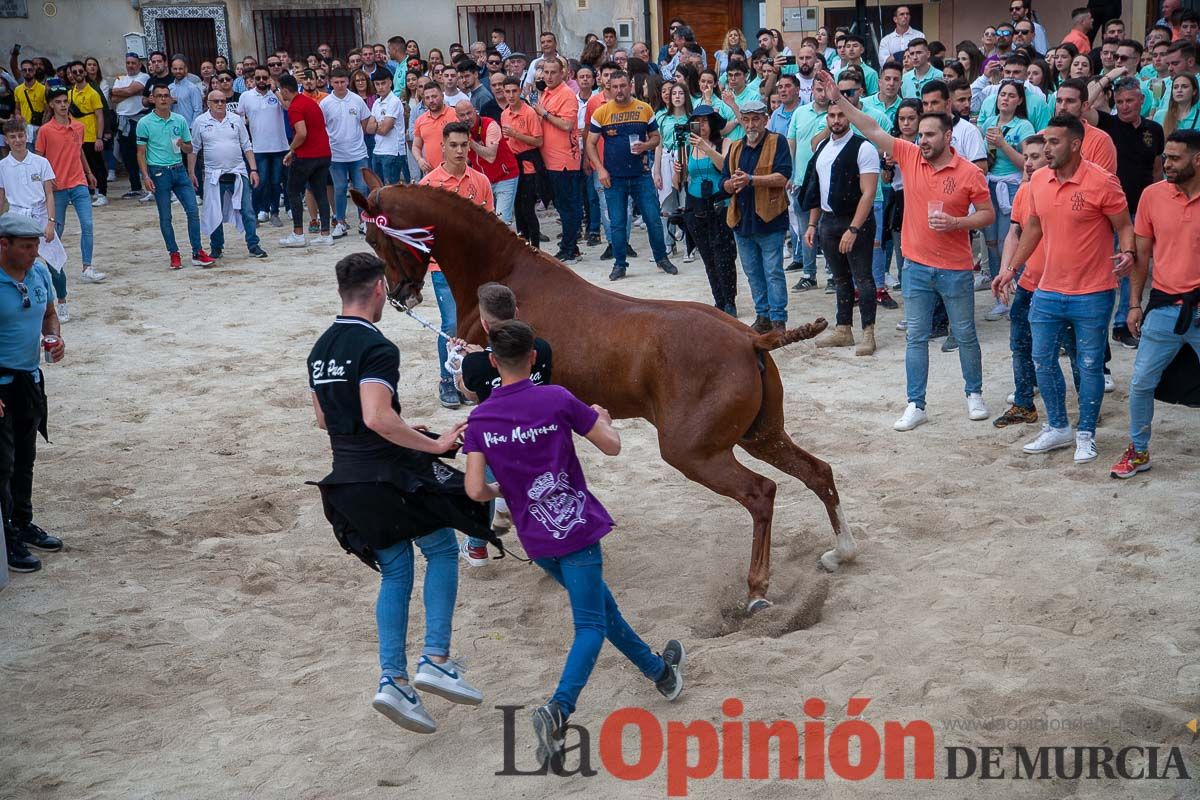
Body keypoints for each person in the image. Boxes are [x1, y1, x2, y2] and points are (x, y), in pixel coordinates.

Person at [462, 318, 685, 768]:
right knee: (591, 626)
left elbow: (474, 491)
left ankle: (661, 673)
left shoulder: (480, 418)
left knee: (602, 610)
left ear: (491, 361)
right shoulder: (556, 398)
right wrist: (603, 418)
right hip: (576, 530)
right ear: (532, 357)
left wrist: (502, 491)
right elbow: (613, 447)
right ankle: (559, 708)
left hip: (535, 535)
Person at [307, 252, 492, 733]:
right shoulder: (378, 347)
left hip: (345, 478)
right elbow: (375, 416)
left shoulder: (320, 349)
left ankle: (393, 679)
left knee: (395, 572)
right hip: (387, 477)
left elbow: (327, 419)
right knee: (443, 550)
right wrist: (430, 442)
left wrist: (402, 428)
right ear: (378, 290)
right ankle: (435, 658)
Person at [820, 70, 994, 430]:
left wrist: (958, 224)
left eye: (930, 135)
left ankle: (973, 393)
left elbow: (987, 214)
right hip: (915, 266)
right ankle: (916, 403)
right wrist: (839, 100)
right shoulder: (910, 155)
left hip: (956, 267)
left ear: (948, 136)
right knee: (915, 337)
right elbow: (871, 128)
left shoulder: (968, 172)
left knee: (964, 333)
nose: (922, 140)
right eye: (920, 134)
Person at [994, 114, 1133, 464]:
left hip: (1093, 291)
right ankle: (1058, 427)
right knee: (1041, 360)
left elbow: (1124, 225)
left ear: (1075, 144)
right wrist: (1011, 269)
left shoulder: (1103, 181)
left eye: (1055, 142)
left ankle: (1086, 433)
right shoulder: (1039, 180)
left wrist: (1128, 252)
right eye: (1045, 142)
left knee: (1088, 364)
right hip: (1047, 289)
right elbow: (1034, 229)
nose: (1046, 148)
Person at [1111, 129, 1200, 477]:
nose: (1167, 164)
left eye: (1175, 158)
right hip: (1164, 307)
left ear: (1197, 159)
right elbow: (1141, 256)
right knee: (1140, 382)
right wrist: (1134, 304)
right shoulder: (1152, 196)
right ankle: (1139, 451)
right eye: (1165, 157)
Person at [0, 213, 65, 573]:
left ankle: (22, 523)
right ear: (3, 244)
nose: (34, 253)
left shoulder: (39, 272)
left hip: (29, 380)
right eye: (26, 246)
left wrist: (53, 337)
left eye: (36, 245)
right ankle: (6, 538)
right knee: (2, 465)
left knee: (25, 458)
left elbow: (49, 313)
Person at [420, 122, 495, 409]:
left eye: (464, 145)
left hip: (476, 268)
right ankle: (447, 380)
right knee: (452, 324)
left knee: (476, 326)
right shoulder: (428, 186)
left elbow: (490, 226)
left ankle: (471, 382)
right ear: (443, 147)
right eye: (454, 145)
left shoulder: (481, 181)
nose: (460, 150)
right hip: (444, 268)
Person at [800, 101, 881, 355]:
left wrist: (854, 229)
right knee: (840, 278)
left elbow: (868, 193)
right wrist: (813, 223)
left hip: (856, 219)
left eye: (841, 116)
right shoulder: (823, 147)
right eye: (832, 116)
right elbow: (816, 188)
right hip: (828, 219)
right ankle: (843, 328)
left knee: (863, 277)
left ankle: (868, 332)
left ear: (851, 118)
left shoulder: (863, 147)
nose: (836, 120)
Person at [1093, 76, 1165, 349]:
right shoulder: (1108, 125)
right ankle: (1095, 323)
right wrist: (1109, 76)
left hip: (1140, 210)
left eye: (1129, 100)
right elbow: (1085, 102)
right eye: (1120, 101)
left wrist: (1158, 204)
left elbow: (1157, 169)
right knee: (1103, 267)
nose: (1124, 106)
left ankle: (1123, 324)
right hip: (1108, 211)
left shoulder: (1154, 130)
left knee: (1132, 266)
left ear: (1141, 100)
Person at [586, 70, 677, 281]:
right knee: (617, 223)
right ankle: (620, 264)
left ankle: (661, 258)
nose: (619, 90)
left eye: (623, 86)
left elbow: (656, 138)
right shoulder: (601, 112)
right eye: (615, 86)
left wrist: (645, 145)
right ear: (609, 87)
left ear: (630, 86)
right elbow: (590, 144)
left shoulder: (643, 109)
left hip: (640, 175)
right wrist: (600, 169)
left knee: (653, 219)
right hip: (614, 177)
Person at [992, 134, 1051, 427]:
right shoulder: (1024, 191)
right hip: (1030, 279)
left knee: (1070, 349)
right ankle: (1024, 402)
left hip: (1059, 283)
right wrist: (1006, 272)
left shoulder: (1057, 190)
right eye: (1026, 157)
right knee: (1020, 342)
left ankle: (1087, 414)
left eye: (1036, 157)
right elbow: (1014, 233)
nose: (1028, 163)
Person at [722, 97, 792, 334]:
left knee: (773, 271)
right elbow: (724, 182)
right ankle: (763, 316)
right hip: (742, 219)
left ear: (765, 119)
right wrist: (731, 184)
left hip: (770, 219)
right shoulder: (735, 147)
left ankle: (778, 318)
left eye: (755, 119)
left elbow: (783, 177)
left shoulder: (777, 142)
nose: (750, 125)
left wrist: (751, 180)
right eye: (746, 119)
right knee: (753, 273)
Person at [0, 119, 71, 324]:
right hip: (17, 217)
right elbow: (2, 196)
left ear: (27, 136)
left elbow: (49, 194)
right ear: (7, 140)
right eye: (13, 137)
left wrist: (50, 222)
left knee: (54, 263)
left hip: (40, 215)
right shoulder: (3, 166)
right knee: (17, 263)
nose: (18, 140)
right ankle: (24, 303)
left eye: (20, 135)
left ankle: (63, 301)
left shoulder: (41, 163)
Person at [35, 86, 105, 294]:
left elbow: (79, 150)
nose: (63, 105)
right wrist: (45, 182)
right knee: (56, 231)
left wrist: (89, 172)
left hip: (78, 182)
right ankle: (53, 268)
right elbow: (39, 159)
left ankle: (87, 267)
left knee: (88, 224)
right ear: (51, 105)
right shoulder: (45, 130)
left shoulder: (78, 126)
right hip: (56, 187)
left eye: (65, 101)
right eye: (58, 102)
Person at [136, 84, 213, 269]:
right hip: (159, 171)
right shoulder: (145, 123)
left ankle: (197, 251)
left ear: (171, 99)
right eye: (159, 96)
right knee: (165, 215)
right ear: (152, 99)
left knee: (193, 211)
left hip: (178, 169)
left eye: (166, 96)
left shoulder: (179, 120)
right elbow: (140, 152)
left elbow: (189, 148)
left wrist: (182, 145)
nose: (163, 99)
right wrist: (145, 176)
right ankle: (174, 253)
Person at [980, 79, 1036, 317]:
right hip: (990, 184)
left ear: (1019, 100)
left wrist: (1002, 144)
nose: (1005, 99)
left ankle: (1020, 290)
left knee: (1008, 241)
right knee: (991, 242)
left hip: (1012, 185)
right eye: (1002, 94)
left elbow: (1027, 163)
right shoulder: (990, 123)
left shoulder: (1024, 126)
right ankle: (999, 293)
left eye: (1011, 95)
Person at [188, 90, 265, 261]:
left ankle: (253, 244)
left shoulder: (235, 120)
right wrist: (191, 172)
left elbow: (247, 145)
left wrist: (253, 169)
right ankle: (216, 246)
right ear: (208, 103)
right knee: (214, 211)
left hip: (238, 171)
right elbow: (194, 149)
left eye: (223, 100)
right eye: (216, 101)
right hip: (213, 174)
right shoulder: (200, 122)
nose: (220, 104)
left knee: (248, 210)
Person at [676, 105, 737, 315]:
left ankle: (730, 300)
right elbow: (680, 182)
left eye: (705, 121)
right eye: (697, 122)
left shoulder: (725, 143)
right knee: (707, 255)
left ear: (713, 123)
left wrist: (708, 148)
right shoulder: (688, 146)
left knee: (724, 254)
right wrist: (678, 171)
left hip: (720, 204)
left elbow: (725, 168)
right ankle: (718, 299)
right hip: (696, 204)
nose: (701, 126)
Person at [536, 58, 584, 264]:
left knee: (568, 207)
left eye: (553, 72)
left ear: (563, 73)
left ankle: (570, 249)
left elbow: (566, 125)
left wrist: (544, 114)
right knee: (562, 206)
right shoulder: (546, 92)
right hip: (550, 159)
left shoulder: (566, 94)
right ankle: (570, 245)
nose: (548, 76)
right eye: (546, 72)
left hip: (564, 160)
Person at [277, 73, 333, 248]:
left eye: (281, 90)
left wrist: (291, 149)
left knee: (293, 191)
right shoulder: (310, 102)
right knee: (320, 192)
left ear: (285, 90)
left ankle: (298, 233)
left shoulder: (295, 106)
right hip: (323, 153)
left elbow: (301, 133)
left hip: (306, 156)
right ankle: (325, 234)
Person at [786, 77, 831, 290]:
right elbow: (791, 143)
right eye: (818, 90)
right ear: (811, 90)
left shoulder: (837, 114)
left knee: (827, 229)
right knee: (806, 229)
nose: (822, 94)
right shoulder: (799, 112)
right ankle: (809, 274)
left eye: (825, 90)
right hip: (801, 181)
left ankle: (832, 274)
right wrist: (790, 174)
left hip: (828, 183)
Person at [319, 68, 372, 239]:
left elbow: (364, 123)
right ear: (330, 82)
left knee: (361, 188)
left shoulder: (357, 100)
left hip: (358, 153)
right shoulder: (325, 103)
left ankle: (363, 221)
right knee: (340, 188)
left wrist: (355, 138)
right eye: (336, 82)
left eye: (343, 81)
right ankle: (340, 222)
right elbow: (322, 127)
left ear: (348, 82)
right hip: (336, 155)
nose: (340, 85)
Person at [238, 65, 288, 226]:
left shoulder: (277, 95)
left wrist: (275, 91)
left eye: (264, 78)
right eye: (258, 78)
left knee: (275, 182)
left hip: (279, 147)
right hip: (258, 147)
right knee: (260, 182)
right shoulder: (246, 96)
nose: (261, 81)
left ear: (269, 79)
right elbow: (240, 119)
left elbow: (288, 107)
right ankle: (257, 211)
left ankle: (274, 212)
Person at [456, 100, 519, 225]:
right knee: (483, 222)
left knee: (501, 222)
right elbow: (465, 159)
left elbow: (491, 156)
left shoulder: (490, 124)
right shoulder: (460, 130)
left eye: (469, 113)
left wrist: (469, 141)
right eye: (462, 115)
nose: (467, 118)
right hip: (482, 180)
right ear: (457, 117)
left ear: (475, 111)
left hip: (505, 177)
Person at [500, 77, 544, 246]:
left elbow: (538, 141)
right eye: (507, 91)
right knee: (517, 207)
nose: (511, 95)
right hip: (513, 164)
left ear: (519, 91)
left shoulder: (529, 112)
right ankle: (523, 242)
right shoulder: (504, 113)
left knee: (527, 208)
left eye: (514, 91)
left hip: (528, 164)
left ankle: (535, 246)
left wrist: (515, 134)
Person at [65, 61, 107, 206]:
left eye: (80, 71)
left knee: (97, 165)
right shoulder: (70, 93)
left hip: (90, 134)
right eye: (74, 72)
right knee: (80, 166)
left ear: (85, 73)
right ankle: (87, 192)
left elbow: (100, 116)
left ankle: (101, 192)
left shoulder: (93, 93)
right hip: (75, 136)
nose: (77, 74)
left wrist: (99, 137)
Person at [109, 54, 148, 201]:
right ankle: (135, 187)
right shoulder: (120, 79)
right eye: (128, 63)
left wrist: (127, 91)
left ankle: (149, 186)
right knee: (128, 156)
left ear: (139, 65)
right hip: (122, 122)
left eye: (133, 63)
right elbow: (113, 97)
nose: (130, 65)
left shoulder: (143, 77)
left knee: (143, 154)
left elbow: (128, 91)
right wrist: (129, 91)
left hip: (138, 120)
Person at [369, 68, 409, 185]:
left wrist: (377, 124)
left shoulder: (394, 101)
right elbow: (368, 128)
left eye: (383, 83)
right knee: (378, 188)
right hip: (378, 150)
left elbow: (385, 129)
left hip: (392, 152)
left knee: (390, 190)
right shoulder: (376, 102)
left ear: (390, 83)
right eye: (377, 84)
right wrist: (379, 125)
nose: (380, 87)